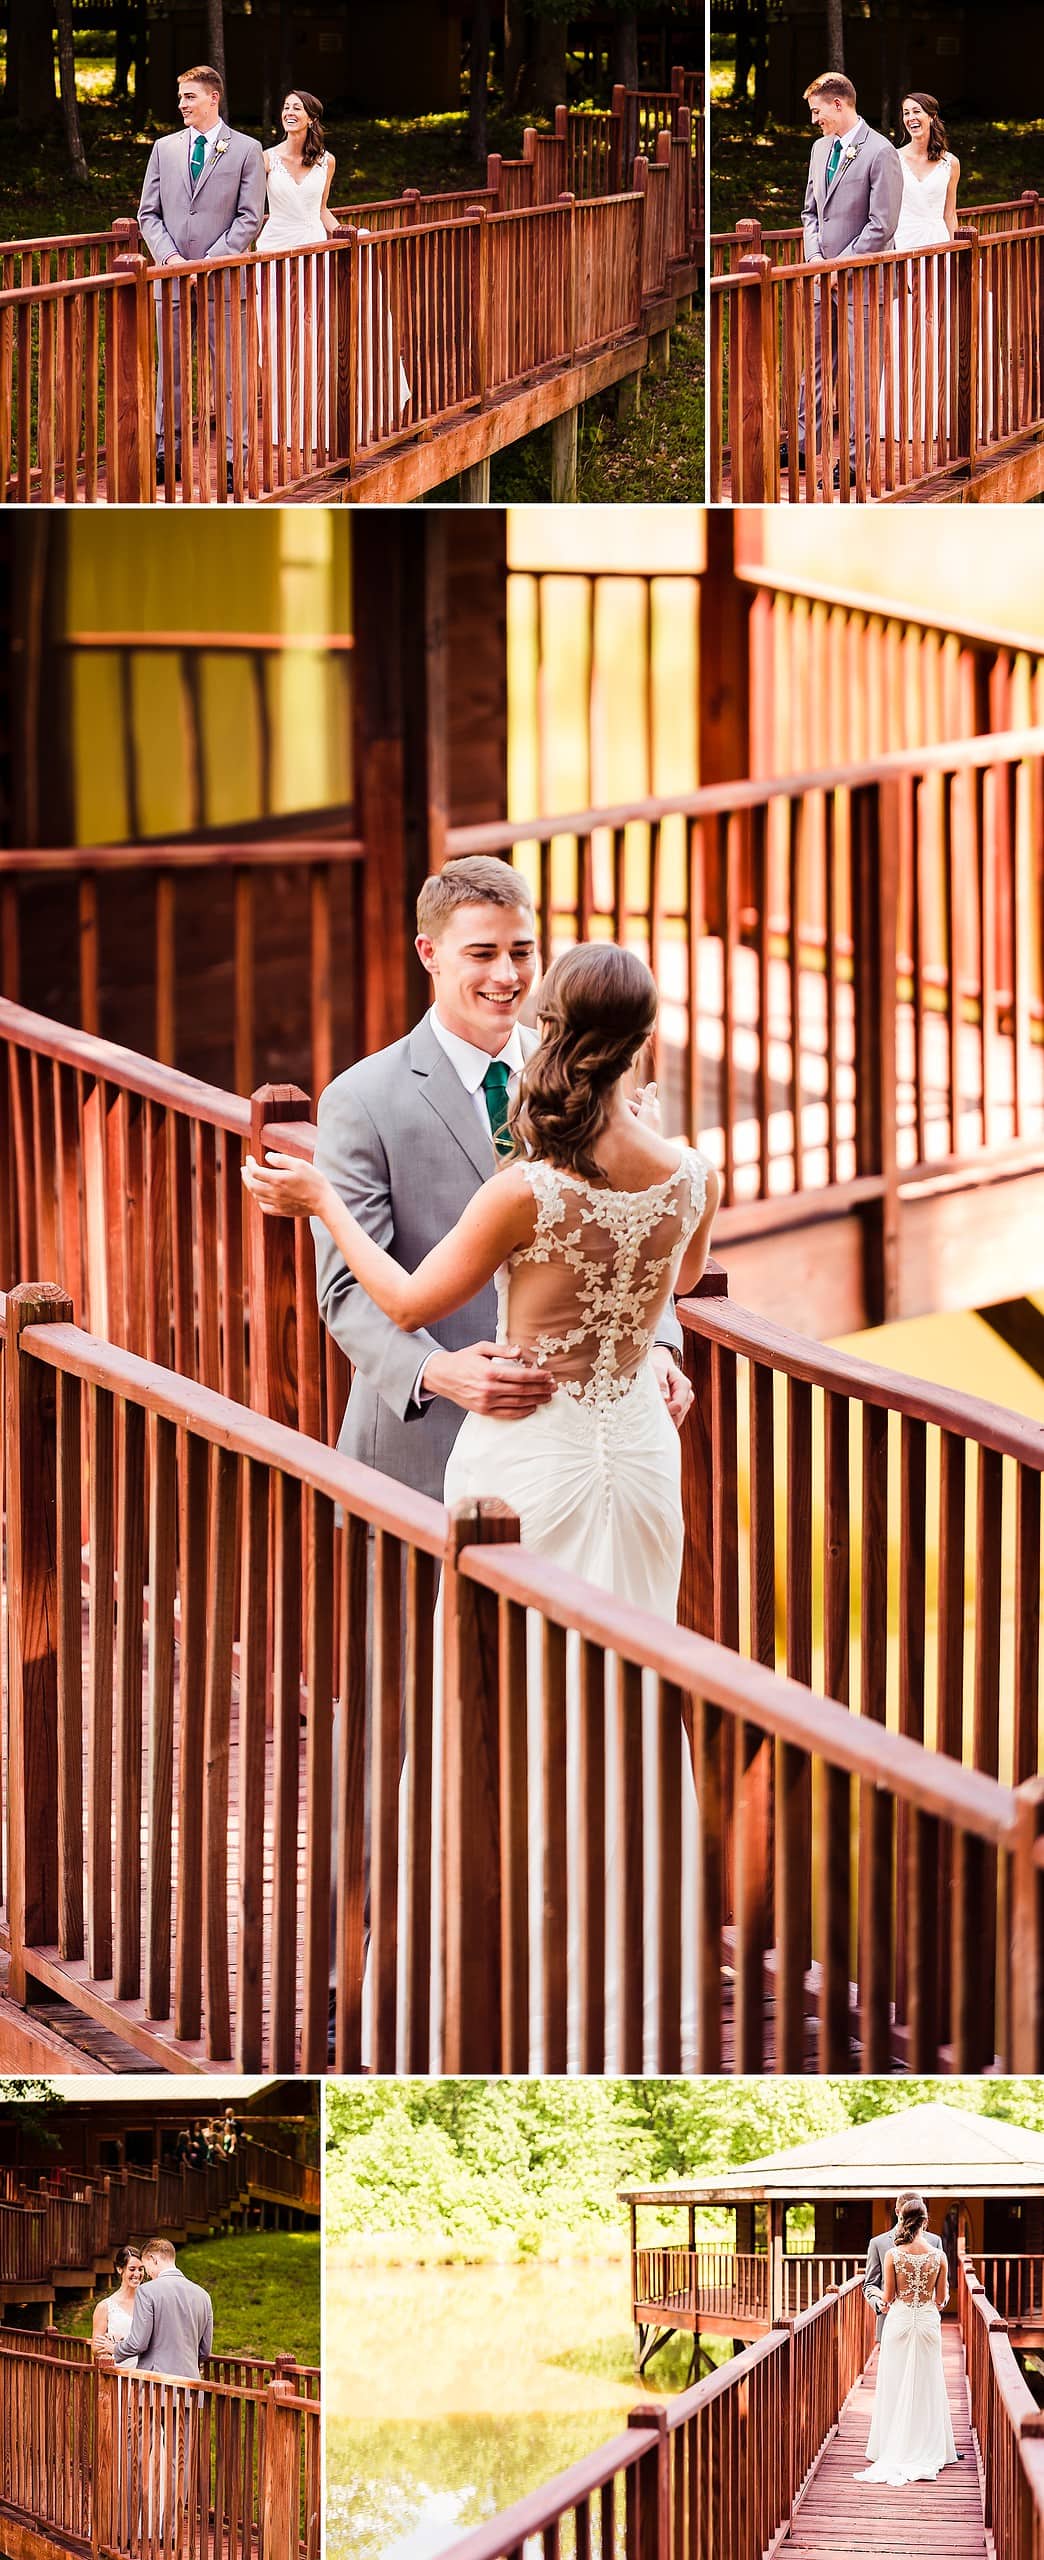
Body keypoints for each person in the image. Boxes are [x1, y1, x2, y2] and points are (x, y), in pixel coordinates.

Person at [137, 65, 266, 493]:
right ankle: (165, 455)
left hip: (223, 278)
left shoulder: (246, 149)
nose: (181, 105)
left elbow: (250, 218)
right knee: (169, 371)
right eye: (180, 97)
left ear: (214, 98)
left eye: (189, 97)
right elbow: (147, 214)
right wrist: (171, 257)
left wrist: (209, 262)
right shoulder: (163, 148)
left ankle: (233, 460)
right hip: (170, 276)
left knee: (230, 375)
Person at [792, 71, 904, 483]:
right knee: (815, 363)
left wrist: (842, 264)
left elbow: (882, 223)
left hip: (864, 282)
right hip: (824, 277)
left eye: (817, 111)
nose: (814, 120)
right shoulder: (820, 149)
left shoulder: (880, 152)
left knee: (859, 374)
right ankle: (805, 445)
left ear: (839, 105)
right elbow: (809, 213)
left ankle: (855, 464)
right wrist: (817, 258)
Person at [255, 90, 340, 456]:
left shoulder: (327, 161)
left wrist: (348, 237)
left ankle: (312, 423)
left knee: (312, 336)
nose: (289, 112)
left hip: (315, 249)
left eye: (297, 108)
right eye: (286, 107)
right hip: (275, 250)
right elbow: (250, 209)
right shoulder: (266, 159)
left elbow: (322, 210)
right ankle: (280, 424)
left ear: (311, 118)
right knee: (277, 338)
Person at [856, 2194, 958, 2486]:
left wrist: (878, 2297)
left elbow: (888, 2299)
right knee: (928, 2383)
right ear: (925, 2221)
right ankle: (927, 2445)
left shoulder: (894, 2255)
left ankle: (891, 2445)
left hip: (899, 2323)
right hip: (926, 2323)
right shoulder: (939, 2256)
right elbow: (941, 2300)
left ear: (901, 2217)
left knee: (894, 2382)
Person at [883, 95, 960, 456]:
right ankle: (903, 416)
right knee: (905, 328)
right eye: (905, 113)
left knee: (937, 326)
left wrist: (958, 251)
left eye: (916, 112)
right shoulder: (893, 159)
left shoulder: (950, 164)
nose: (911, 118)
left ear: (932, 116)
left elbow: (949, 214)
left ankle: (939, 413)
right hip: (904, 245)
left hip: (938, 244)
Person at [91, 2245, 145, 2371]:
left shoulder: (149, 2302)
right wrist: (110, 2343)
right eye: (132, 2269)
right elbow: (95, 2349)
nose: (137, 2274)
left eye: (141, 2269)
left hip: (146, 2375)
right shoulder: (105, 2307)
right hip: (119, 2376)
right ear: (120, 2269)